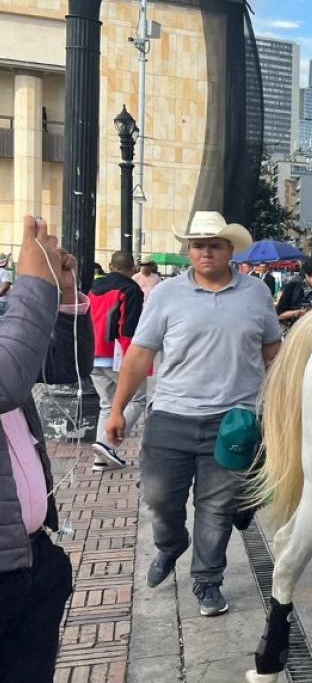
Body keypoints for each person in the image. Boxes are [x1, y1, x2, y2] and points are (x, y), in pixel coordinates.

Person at [106, 211, 282, 617]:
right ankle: (170, 546)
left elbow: (273, 353)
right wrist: (117, 410)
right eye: (199, 245)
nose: (206, 252)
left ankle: (207, 580)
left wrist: (284, 405)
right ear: (189, 250)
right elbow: (139, 354)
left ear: (229, 250)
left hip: (233, 422)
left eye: (215, 245)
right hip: (171, 416)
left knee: (216, 508)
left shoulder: (256, 293)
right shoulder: (166, 295)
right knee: (159, 500)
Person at [0, 217, 92, 683]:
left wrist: (65, 297)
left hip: (30, 558)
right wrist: (35, 285)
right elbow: (7, 381)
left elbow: (63, 369)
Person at [87, 251, 146, 472]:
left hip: (93, 353)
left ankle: (101, 458)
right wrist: (136, 361)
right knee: (137, 399)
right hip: (117, 353)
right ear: (132, 269)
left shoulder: (93, 288)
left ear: (110, 266)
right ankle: (106, 444)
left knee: (107, 404)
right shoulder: (131, 289)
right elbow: (128, 328)